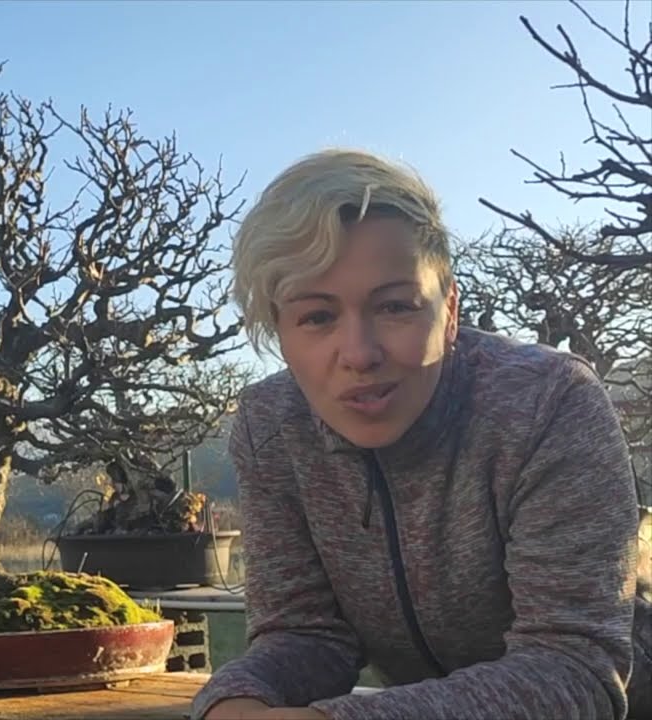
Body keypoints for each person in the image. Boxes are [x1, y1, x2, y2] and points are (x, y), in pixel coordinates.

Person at [190, 149, 651, 720]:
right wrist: (229, 701)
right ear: (279, 332)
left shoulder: (549, 402)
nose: (359, 354)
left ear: (450, 308)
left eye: (395, 307)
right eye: (316, 316)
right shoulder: (271, 427)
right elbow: (304, 634)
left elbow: (573, 668)